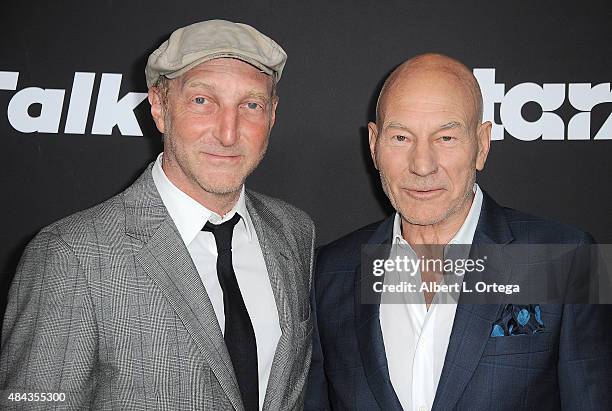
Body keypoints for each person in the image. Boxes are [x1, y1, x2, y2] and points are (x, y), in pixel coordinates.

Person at [0, 20, 314, 410]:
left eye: (250, 105)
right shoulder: (70, 255)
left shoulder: (294, 231)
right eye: (202, 101)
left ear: (272, 115)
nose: (228, 133)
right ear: (160, 108)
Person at [305, 53, 611, 410]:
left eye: (446, 138)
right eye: (401, 137)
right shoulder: (330, 272)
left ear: (481, 144)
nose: (422, 165)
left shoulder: (567, 259)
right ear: (374, 145)